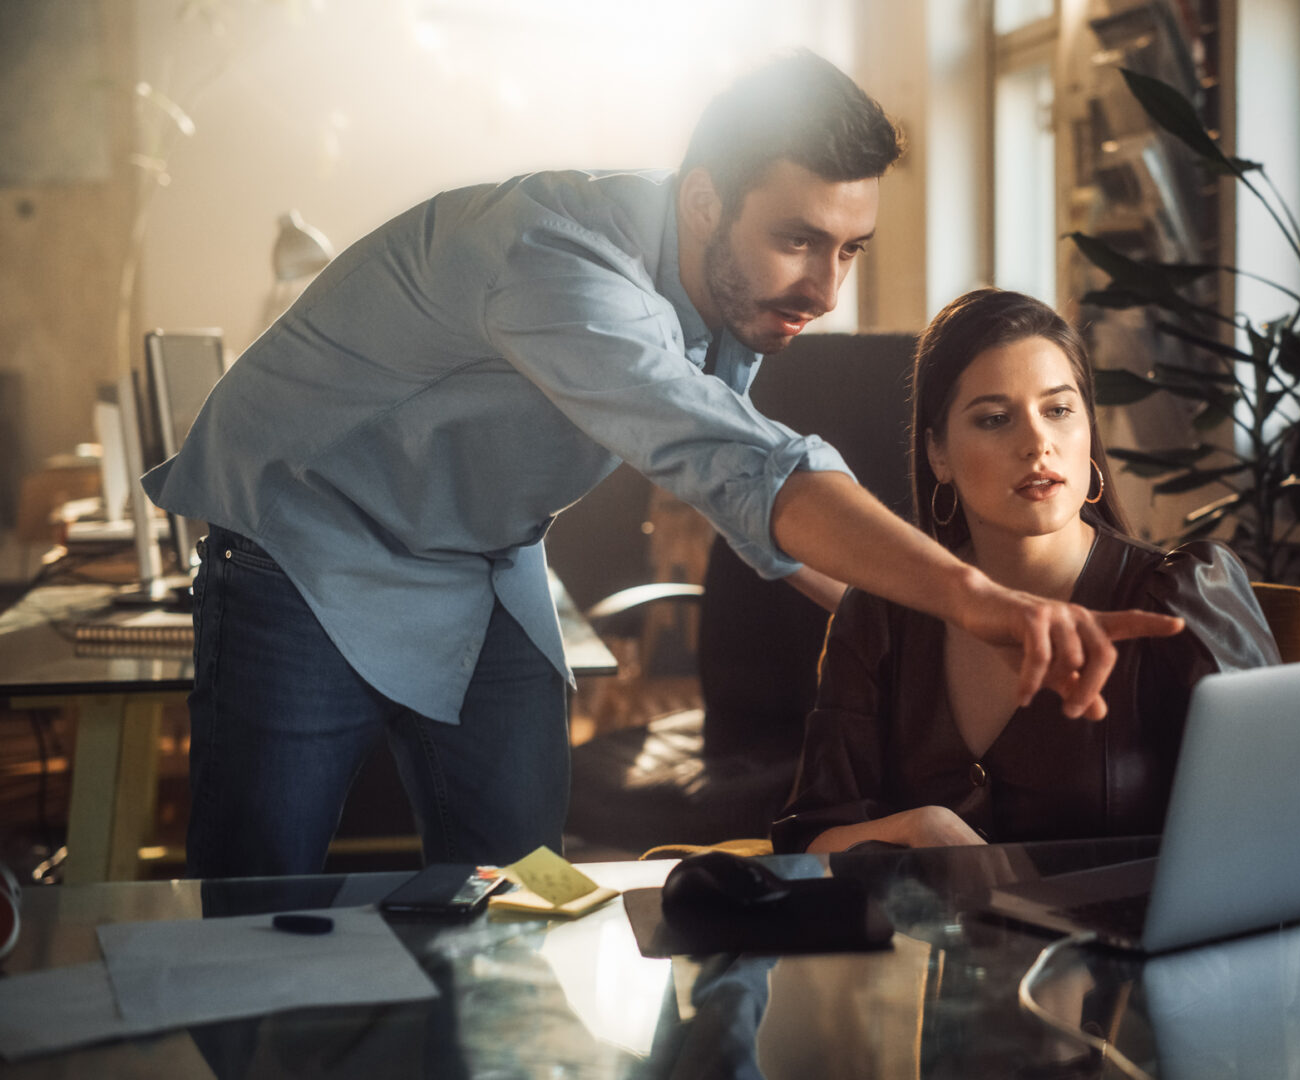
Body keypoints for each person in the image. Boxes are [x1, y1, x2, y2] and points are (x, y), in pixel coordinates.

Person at [146, 53, 1180, 879]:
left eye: (851, 249)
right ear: (701, 202)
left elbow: (746, 502)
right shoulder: (556, 265)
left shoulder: (733, 288)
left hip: (485, 560)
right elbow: (746, 465)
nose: (825, 287)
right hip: (307, 540)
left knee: (515, 883)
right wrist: (974, 600)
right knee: (258, 897)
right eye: (798, 239)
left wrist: (915, 629)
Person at [771, 289, 1281, 855]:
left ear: (1089, 431)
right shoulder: (881, 613)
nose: (1037, 442)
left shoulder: (1179, 596)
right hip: (932, 944)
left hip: (1134, 941)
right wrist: (919, 829)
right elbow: (809, 842)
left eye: (1059, 410)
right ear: (937, 454)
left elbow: (1278, 829)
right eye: (994, 419)